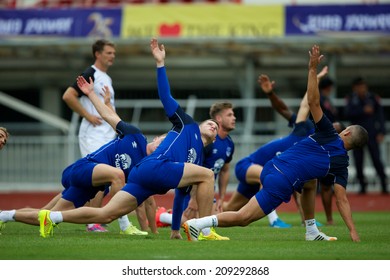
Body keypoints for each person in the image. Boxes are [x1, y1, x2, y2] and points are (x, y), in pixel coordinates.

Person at [183, 45, 369, 242]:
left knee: (309, 183)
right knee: (244, 218)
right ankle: (197, 224)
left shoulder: (327, 132)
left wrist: (312, 70)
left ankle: (311, 231)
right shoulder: (341, 164)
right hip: (278, 178)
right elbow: (341, 199)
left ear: (346, 132)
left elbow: (312, 102)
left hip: (272, 167)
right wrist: (353, 231)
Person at [37, 38, 219, 239]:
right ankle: (205, 230)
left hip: (143, 176)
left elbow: (180, 196)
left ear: (215, 138)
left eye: (216, 127)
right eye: (210, 122)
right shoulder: (187, 124)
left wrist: (175, 230)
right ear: (200, 124)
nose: (213, 125)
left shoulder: (198, 160)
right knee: (208, 175)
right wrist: (160, 64)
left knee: (106, 215)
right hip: (155, 167)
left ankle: (53, 217)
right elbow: (164, 97)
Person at [0, 76, 165, 236]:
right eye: (162, 142)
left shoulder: (145, 165)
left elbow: (146, 201)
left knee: (47, 215)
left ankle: (4, 215)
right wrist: (91, 93)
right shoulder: (135, 135)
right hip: (82, 168)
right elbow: (109, 116)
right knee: (118, 174)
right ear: (156, 138)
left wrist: (152, 233)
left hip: (90, 186)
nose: (162, 147)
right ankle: (124, 225)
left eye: (165, 148)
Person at [157, 101, 236, 240]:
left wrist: (222, 198)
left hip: (206, 192)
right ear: (218, 118)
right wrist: (193, 199)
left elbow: (224, 170)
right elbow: (194, 168)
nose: (234, 118)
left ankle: (169, 217)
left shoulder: (229, 144)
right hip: (192, 190)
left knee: (211, 219)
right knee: (189, 223)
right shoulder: (206, 142)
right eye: (229, 115)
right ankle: (162, 216)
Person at [62, 39, 118, 232]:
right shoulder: (91, 73)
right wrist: (87, 115)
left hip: (106, 136)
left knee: (104, 180)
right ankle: (92, 222)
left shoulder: (106, 78)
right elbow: (69, 95)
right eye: (109, 52)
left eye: (113, 53)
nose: (112, 56)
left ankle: (85, 216)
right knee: (101, 178)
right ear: (98, 54)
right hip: (92, 135)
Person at [345, 77, 388, 194]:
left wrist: (382, 132)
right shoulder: (351, 99)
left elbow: (380, 116)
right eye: (359, 87)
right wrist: (363, 110)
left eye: (363, 86)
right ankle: (362, 186)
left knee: (376, 159)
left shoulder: (373, 97)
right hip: (356, 135)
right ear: (355, 88)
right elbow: (347, 113)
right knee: (358, 161)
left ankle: (384, 185)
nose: (362, 89)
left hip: (372, 134)